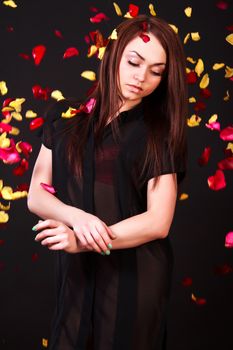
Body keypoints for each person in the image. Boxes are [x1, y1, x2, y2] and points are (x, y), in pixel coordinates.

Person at [27, 14, 188, 350]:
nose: (141, 77)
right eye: (134, 62)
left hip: (135, 276)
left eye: (156, 71)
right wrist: (78, 218)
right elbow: (37, 196)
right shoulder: (63, 118)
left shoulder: (158, 134)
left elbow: (159, 222)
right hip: (76, 272)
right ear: (114, 54)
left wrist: (82, 240)